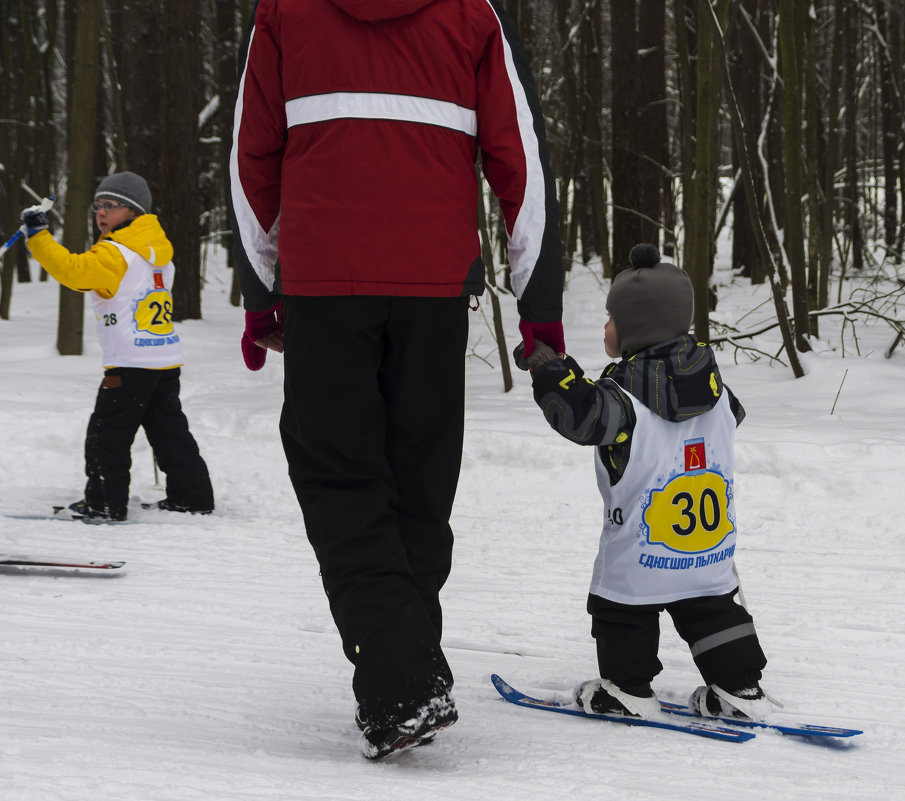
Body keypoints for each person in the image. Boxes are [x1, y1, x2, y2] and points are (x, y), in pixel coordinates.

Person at [230, 0, 564, 759]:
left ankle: (401, 678)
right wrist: (537, 307)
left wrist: (261, 290)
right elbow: (521, 158)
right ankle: (405, 671)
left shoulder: (286, 11)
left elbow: (252, 154)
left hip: (325, 282)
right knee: (418, 478)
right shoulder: (472, 13)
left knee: (341, 476)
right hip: (432, 285)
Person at [519, 243, 770, 722]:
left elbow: (580, 417)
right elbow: (731, 417)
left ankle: (627, 689)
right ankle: (739, 687)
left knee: (621, 609)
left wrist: (551, 370)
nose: (606, 327)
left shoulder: (622, 397)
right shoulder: (714, 386)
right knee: (714, 608)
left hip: (643, 548)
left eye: (611, 318)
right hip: (707, 545)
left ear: (635, 327)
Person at [21, 171, 215, 522]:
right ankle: (193, 496)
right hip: (163, 359)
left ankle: (104, 504)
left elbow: (74, 270)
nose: (100, 212)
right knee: (169, 432)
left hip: (129, 362)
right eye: (98, 205)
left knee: (106, 436)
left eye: (111, 205)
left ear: (134, 212)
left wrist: (38, 236)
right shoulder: (157, 251)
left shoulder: (116, 252)